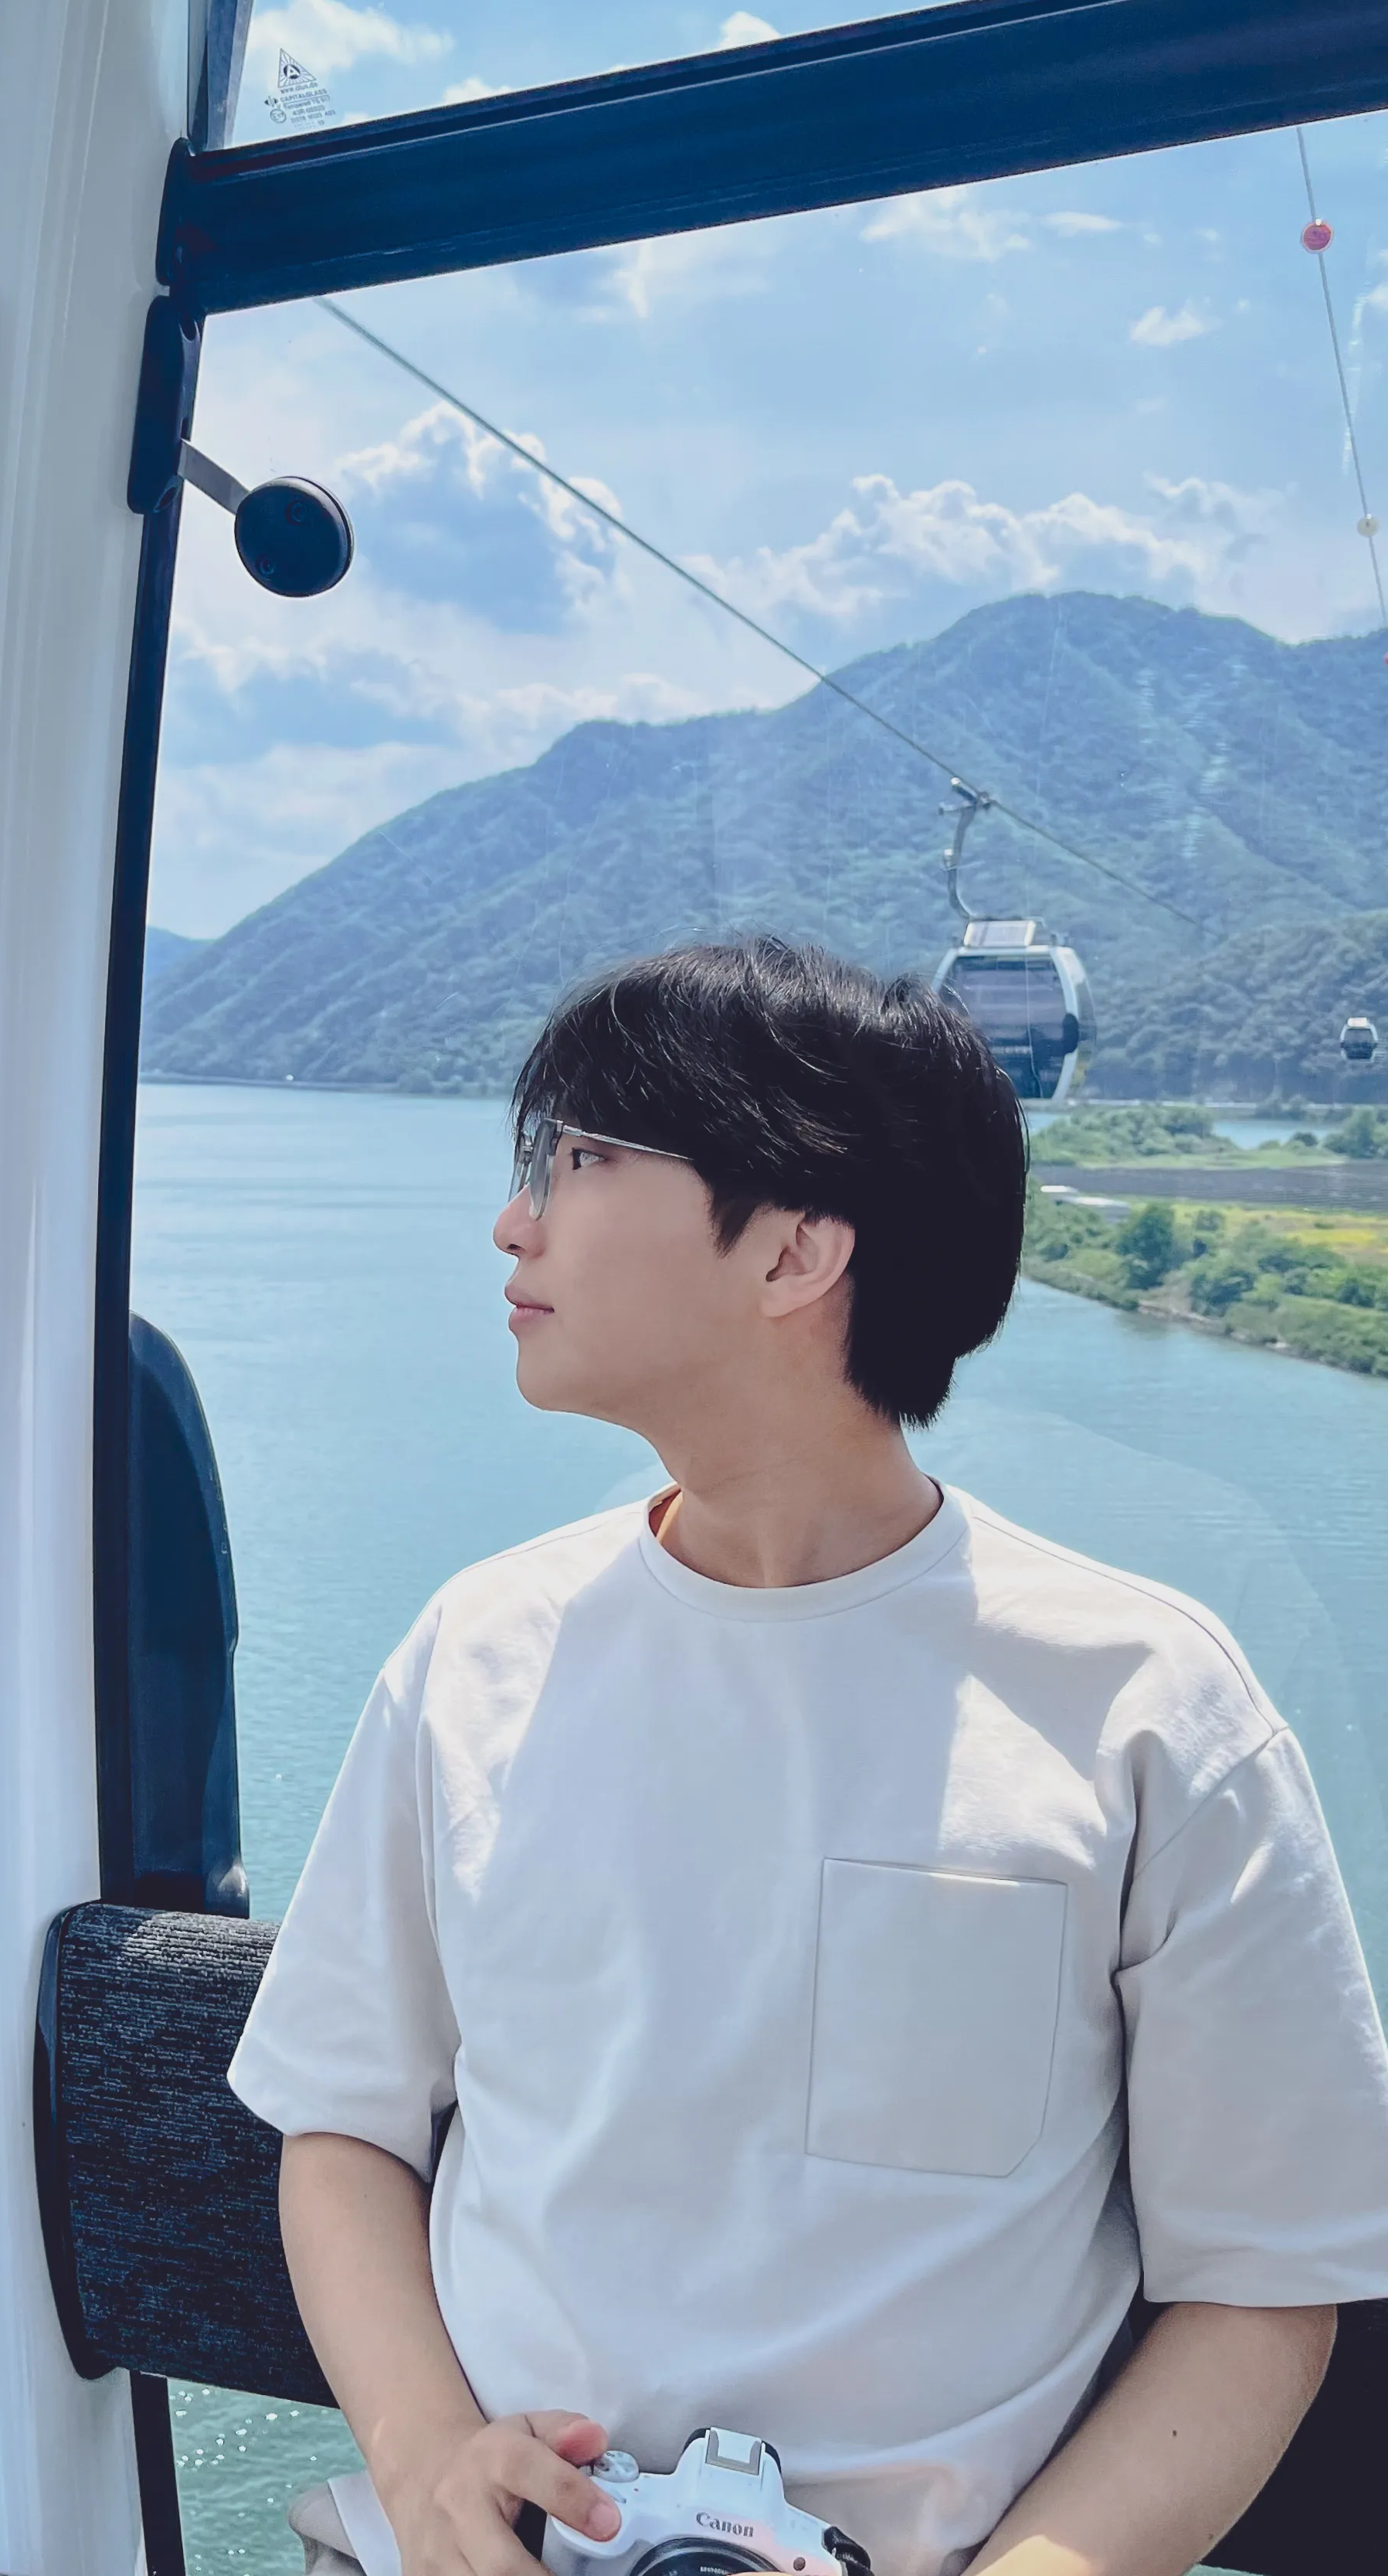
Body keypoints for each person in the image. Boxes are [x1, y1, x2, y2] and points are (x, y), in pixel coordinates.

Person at [227, 939, 1388, 2576]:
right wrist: (424, 2465)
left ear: (794, 1247)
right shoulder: (475, 1652)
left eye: (580, 1159)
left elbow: (1264, 2278)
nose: (514, 1218)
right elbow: (343, 2124)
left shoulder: (1144, 1707)